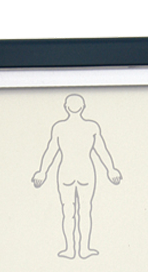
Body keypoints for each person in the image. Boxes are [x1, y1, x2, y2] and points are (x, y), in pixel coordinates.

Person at [32, 94, 122, 259]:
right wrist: (111, 169)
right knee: (85, 211)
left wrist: (42, 172)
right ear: (83, 107)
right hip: (86, 172)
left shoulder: (59, 127)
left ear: (66, 107)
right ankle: (84, 249)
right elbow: (101, 150)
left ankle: (69, 250)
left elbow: (51, 151)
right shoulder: (92, 127)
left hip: (66, 172)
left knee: (68, 212)